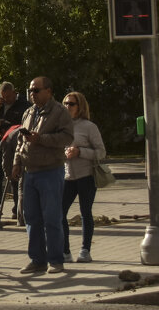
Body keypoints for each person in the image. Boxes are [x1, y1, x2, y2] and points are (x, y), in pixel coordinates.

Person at [13, 76, 74, 275]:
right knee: (31, 218)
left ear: (48, 91)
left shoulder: (59, 112)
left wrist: (42, 139)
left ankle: (56, 260)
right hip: (29, 173)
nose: (32, 94)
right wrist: (16, 163)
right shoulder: (29, 112)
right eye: (30, 90)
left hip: (50, 171)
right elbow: (21, 142)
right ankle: (37, 260)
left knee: (51, 218)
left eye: (36, 90)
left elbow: (67, 137)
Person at [61, 91, 105, 264]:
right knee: (59, 213)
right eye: (65, 103)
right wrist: (64, 153)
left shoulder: (89, 127)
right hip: (67, 176)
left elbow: (101, 152)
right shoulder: (61, 126)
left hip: (86, 176)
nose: (67, 107)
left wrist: (80, 152)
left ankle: (85, 250)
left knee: (85, 212)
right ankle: (65, 252)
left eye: (71, 104)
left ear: (80, 107)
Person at [0, 81, 31, 205]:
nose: (6, 99)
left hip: (13, 147)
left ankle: (17, 208)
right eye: (3, 97)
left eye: (8, 97)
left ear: (14, 93)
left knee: (14, 178)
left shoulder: (23, 105)